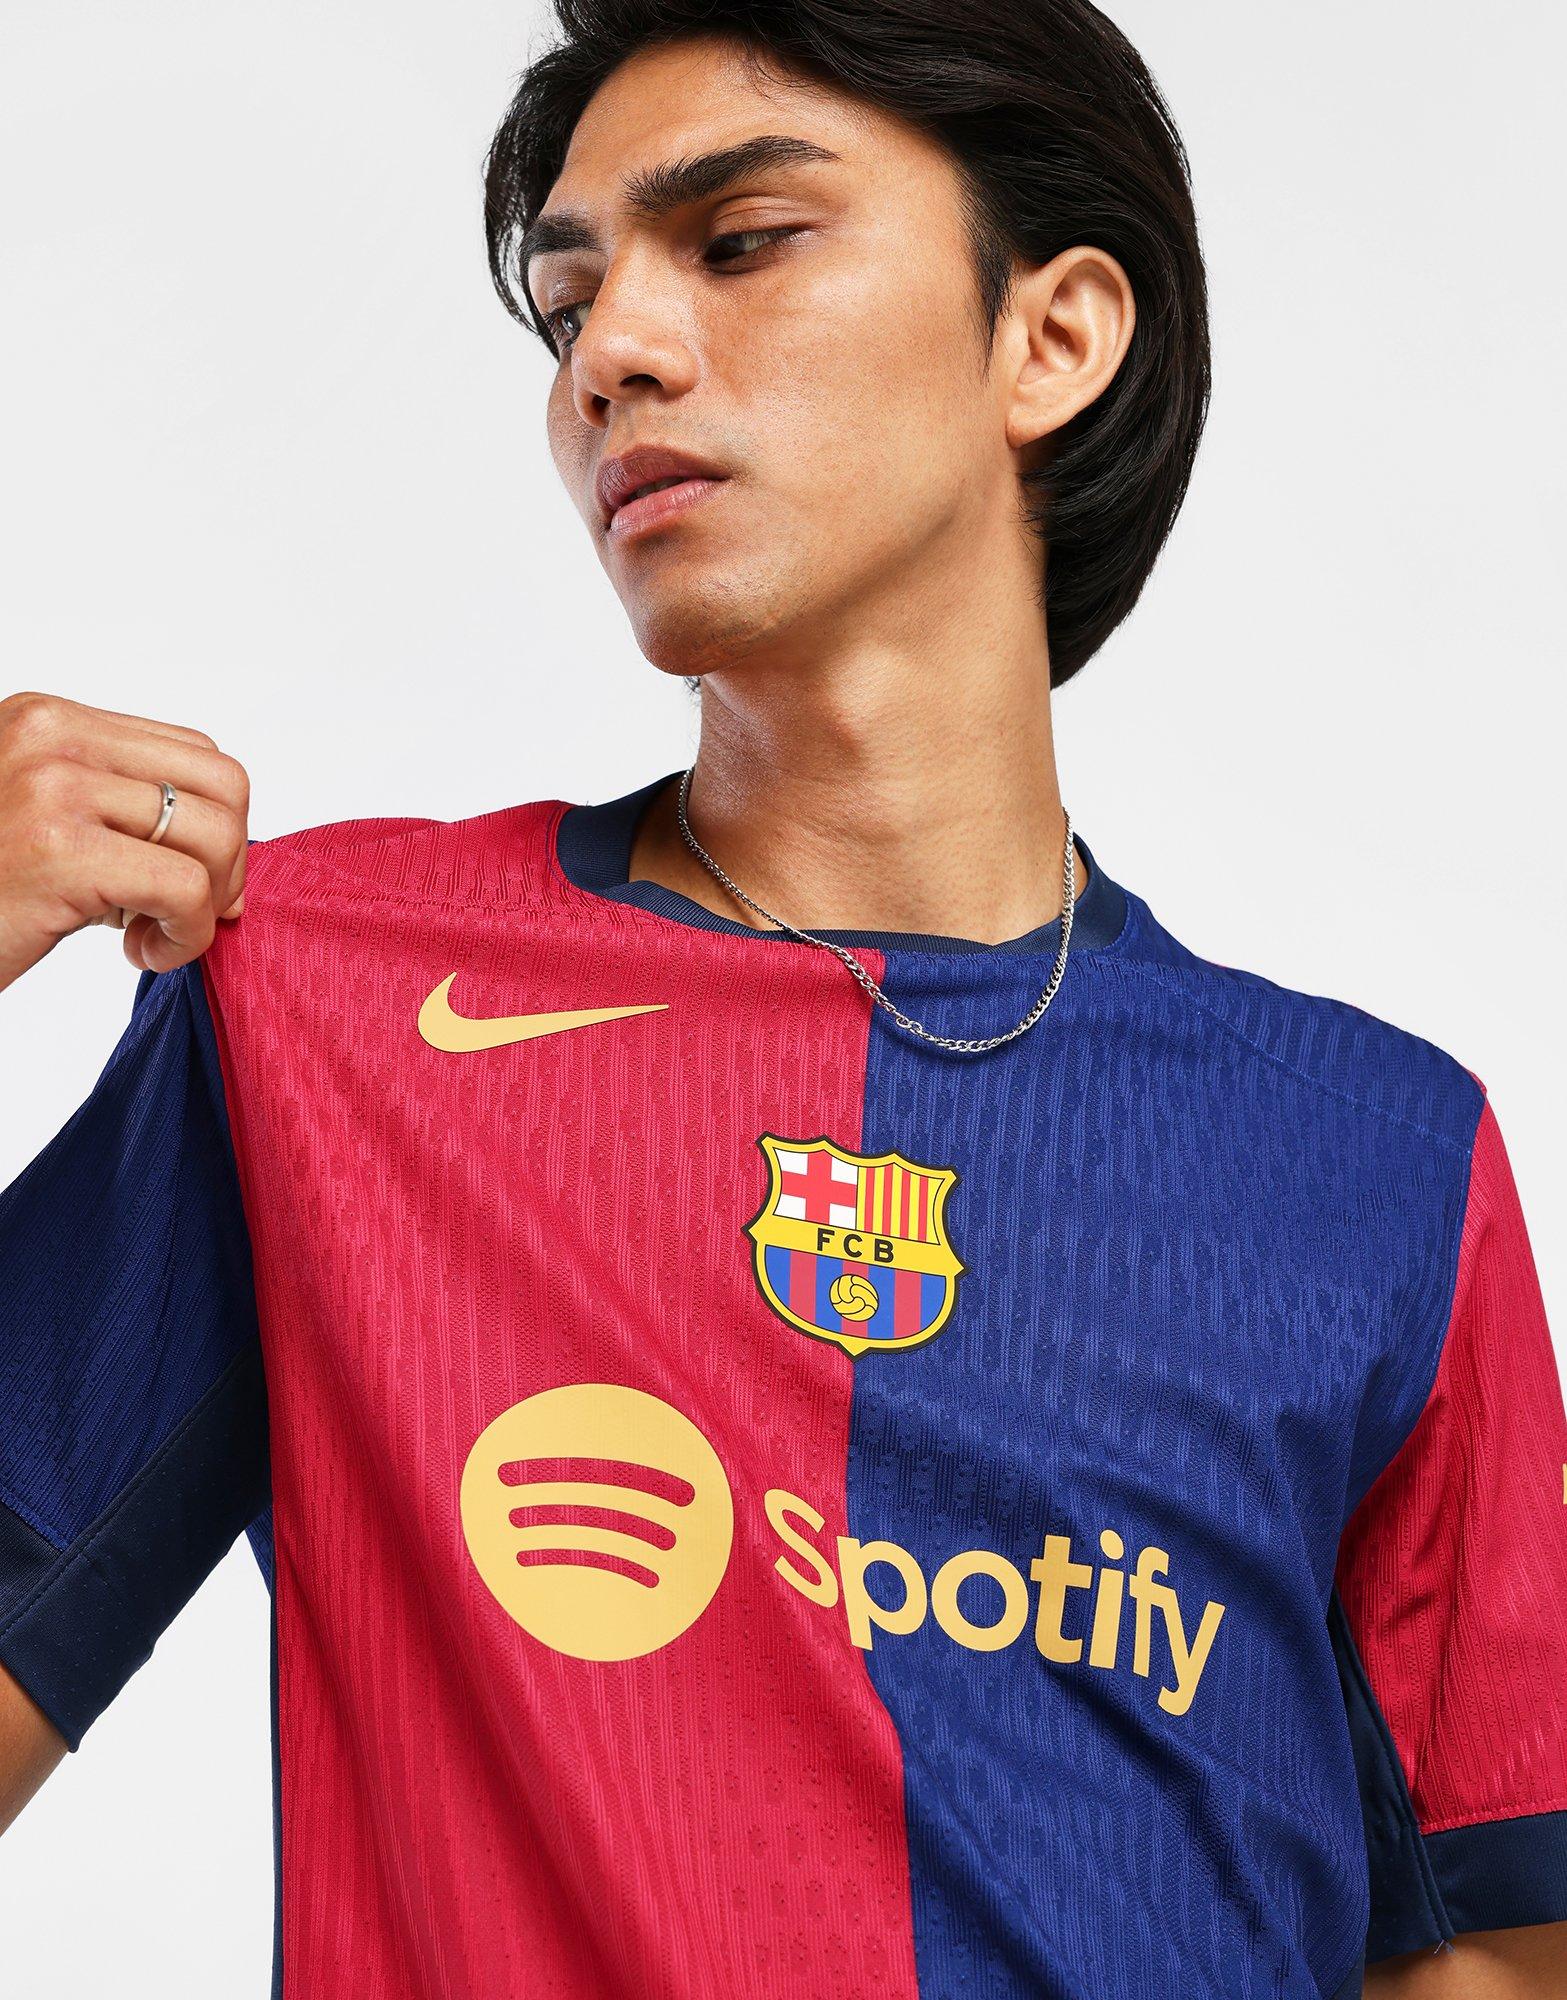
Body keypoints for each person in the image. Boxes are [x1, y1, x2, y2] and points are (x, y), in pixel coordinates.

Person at [1, 3, 1563, 1995]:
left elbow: (1490, 1955)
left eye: (738, 242)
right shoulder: (316, 1009)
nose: (611, 356)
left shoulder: (1377, 1157)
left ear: (1053, 338)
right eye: (568, 305)